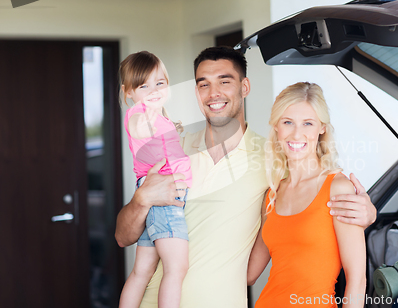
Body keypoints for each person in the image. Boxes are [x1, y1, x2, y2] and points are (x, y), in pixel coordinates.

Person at [115, 47, 376, 308]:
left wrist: (368, 213)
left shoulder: (274, 161)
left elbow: (315, 183)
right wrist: (141, 200)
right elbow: (123, 237)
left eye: (224, 82)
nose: (214, 93)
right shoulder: (172, 150)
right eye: (203, 84)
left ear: (245, 87)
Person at [247, 82, 366, 307]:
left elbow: (357, 281)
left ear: (321, 128)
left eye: (308, 123)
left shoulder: (338, 188)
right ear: (276, 127)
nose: (297, 133)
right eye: (288, 122)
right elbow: (250, 274)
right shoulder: (273, 194)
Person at [118, 51, 192, 308]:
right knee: (177, 267)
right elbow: (143, 133)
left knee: (142, 271)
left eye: (160, 83)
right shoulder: (139, 115)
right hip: (161, 191)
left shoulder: (159, 118)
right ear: (128, 92)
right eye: (143, 86)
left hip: (156, 189)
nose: (153, 91)